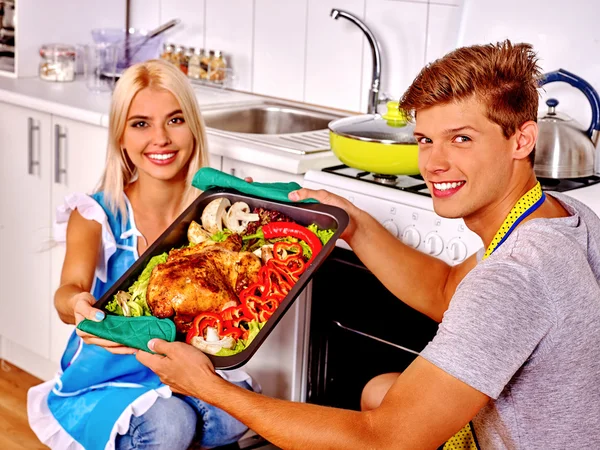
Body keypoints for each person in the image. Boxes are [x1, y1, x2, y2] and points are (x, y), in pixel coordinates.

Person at [135, 40, 600, 449]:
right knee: (380, 389)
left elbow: (387, 440)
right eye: (424, 140)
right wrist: (352, 222)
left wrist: (210, 388)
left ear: (521, 140)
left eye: (461, 139)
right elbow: (446, 292)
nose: (434, 163)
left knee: (383, 420)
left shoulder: (515, 276)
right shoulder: (558, 215)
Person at [27, 59, 258, 450]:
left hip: (186, 368)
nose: (161, 138)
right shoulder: (97, 214)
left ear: (193, 127)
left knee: (235, 415)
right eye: (140, 124)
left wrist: (252, 225)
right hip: (107, 378)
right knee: (169, 425)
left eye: (175, 120)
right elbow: (68, 292)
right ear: (120, 137)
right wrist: (78, 304)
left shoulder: (214, 212)